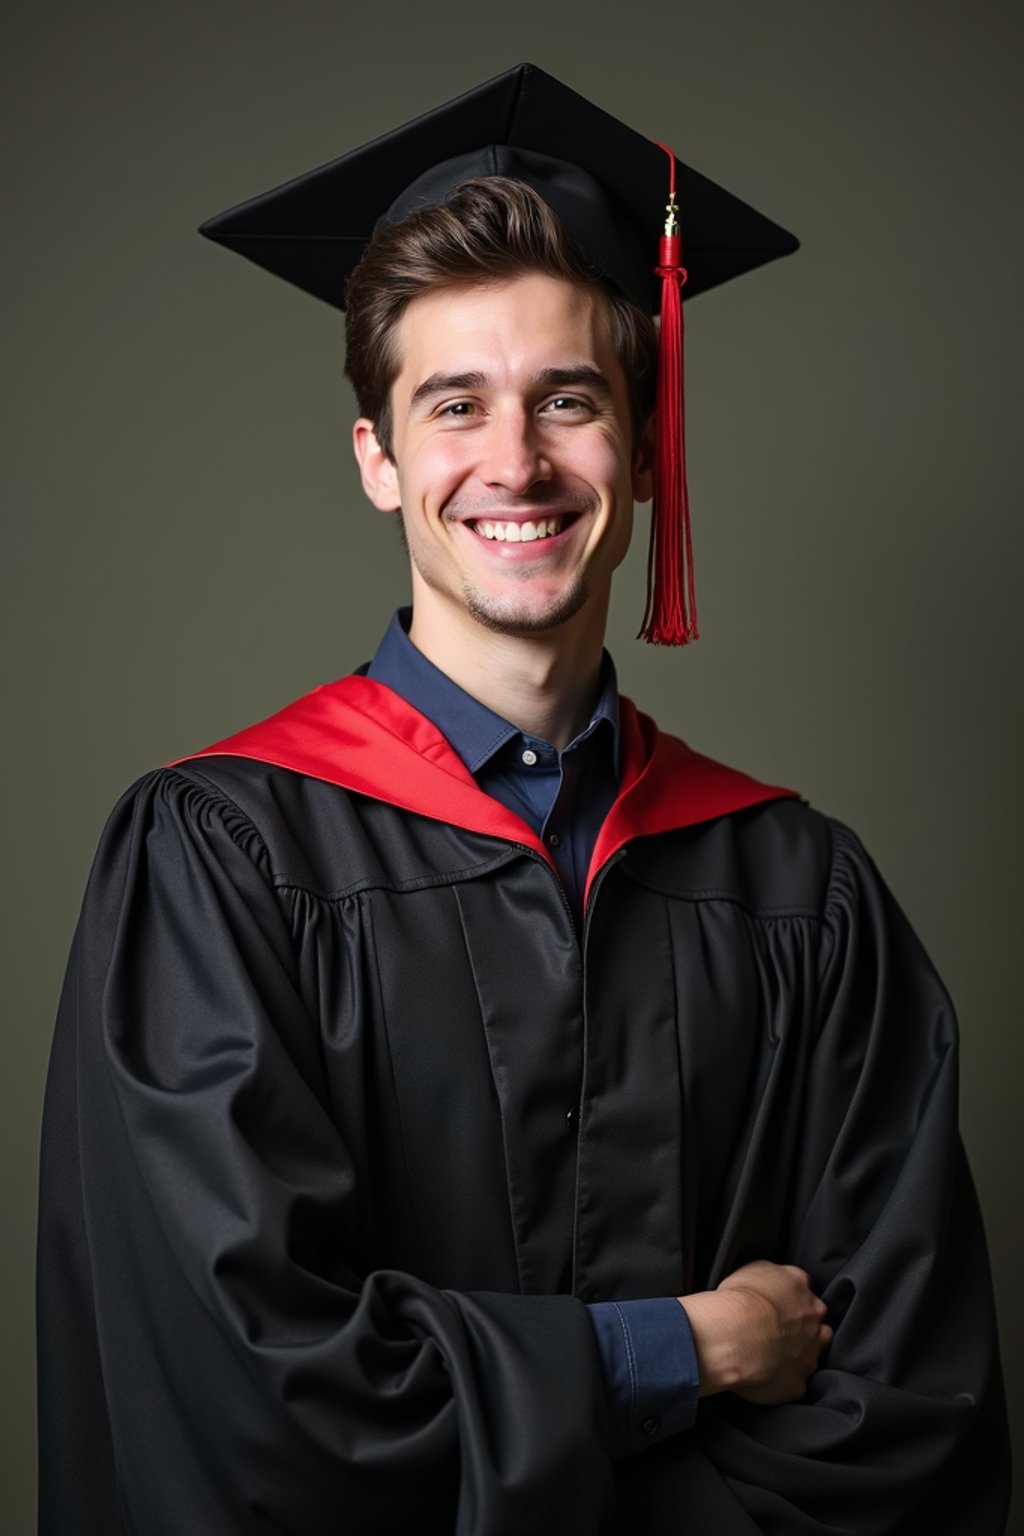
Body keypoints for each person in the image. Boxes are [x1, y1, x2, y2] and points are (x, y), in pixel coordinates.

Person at [37, 63, 1009, 1535]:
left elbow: (911, 1410)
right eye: (454, 406)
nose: (517, 463)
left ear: (638, 441)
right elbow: (241, 1401)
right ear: (378, 461)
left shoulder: (801, 892)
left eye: (569, 400)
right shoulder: (221, 861)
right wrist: (684, 1349)